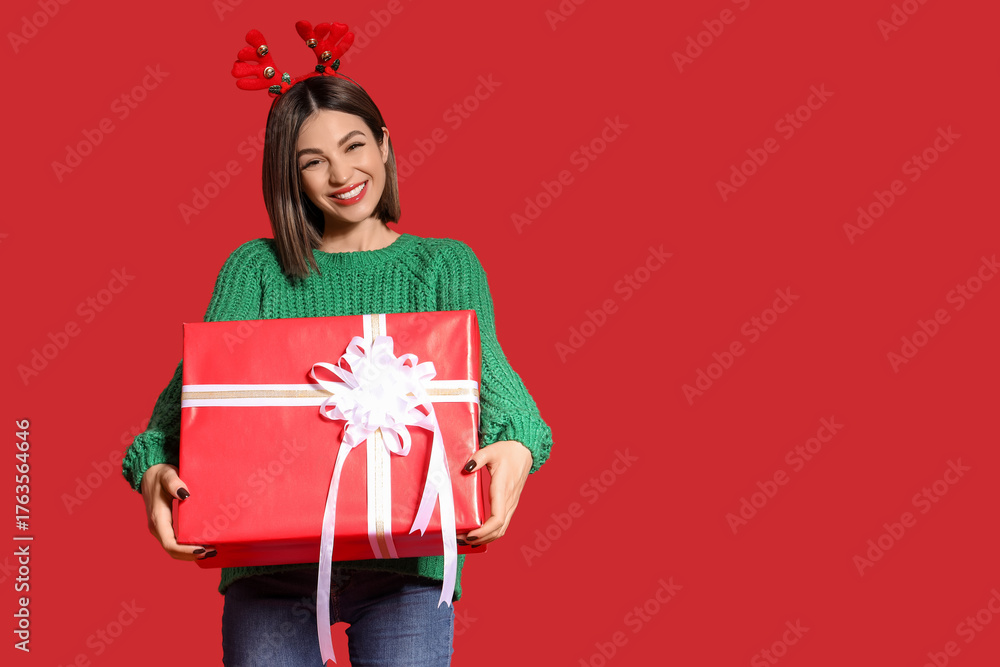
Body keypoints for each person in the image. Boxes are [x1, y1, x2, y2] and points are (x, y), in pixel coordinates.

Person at [120, 21, 553, 667]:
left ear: (384, 144)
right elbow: (182, 413)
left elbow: (505, 399)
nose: (342, 173)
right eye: (312, 161)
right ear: (289, 178)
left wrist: (517, 443)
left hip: (408, 563)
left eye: (354, 145)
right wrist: (155, 468)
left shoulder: (443, 266)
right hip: (270, 569)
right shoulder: (256, 270)